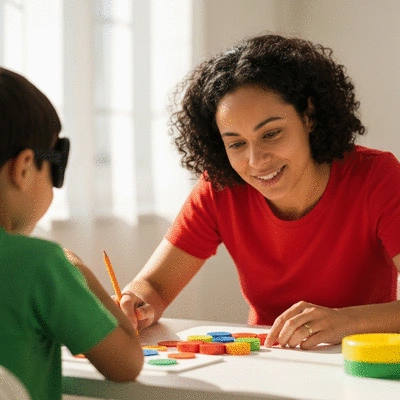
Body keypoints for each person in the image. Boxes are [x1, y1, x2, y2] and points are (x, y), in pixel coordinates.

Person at [119, 33, 400, 350]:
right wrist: (135, 301)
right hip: (267, 362)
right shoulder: (220, 188)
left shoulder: (377, 176)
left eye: (272, 133)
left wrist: (345, 322)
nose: (256, 160)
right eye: (237, 143)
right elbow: (154, 286)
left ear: (309, 115)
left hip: (361, 364)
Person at [0, 67, 144, 400]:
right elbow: (127, 364)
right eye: (56, 164)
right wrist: (76, 270)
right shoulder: (41, 264)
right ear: (23, 168)